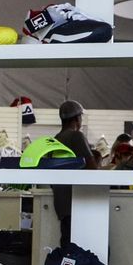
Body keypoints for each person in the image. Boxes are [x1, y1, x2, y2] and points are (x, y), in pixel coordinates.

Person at [53, 99, 95, 249]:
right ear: (77, 118)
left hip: (62, 204)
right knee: (85, 248)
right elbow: (91, 168)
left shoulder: (56, 140)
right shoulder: (76, 136)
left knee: (67, 246)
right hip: (78, 202)